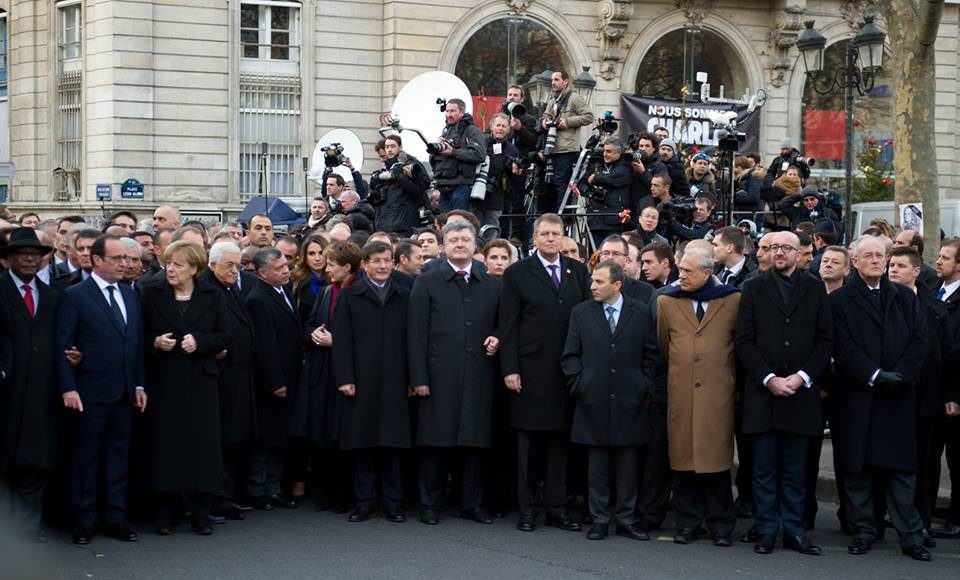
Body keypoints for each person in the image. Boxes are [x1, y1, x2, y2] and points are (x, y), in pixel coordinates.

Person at [830, 236, 931, 560]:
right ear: (855, 262)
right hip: (859, 396)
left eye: (880, 255)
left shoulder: (904, 297)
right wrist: (874, 375)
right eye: (868, 256)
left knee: (902, 472)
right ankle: (863, 531)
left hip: (899, 396)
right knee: (858, 472)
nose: (876, 260)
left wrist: (901, 375)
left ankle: (910, 536)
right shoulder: (841, 301)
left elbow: (920, 339)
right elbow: (842, 347)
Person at [735, 231, 833, 555]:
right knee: (763, 471)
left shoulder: (815, 287)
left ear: (800, 252)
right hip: (763, 395)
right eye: (774, 247)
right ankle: (765, 530)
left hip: (801, 396)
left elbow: (824, 340)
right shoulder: (752, 287)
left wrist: (801, 377)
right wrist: (769, 378)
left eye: (786, 248)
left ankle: (793, 531)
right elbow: (744, 341)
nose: (779, 252)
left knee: (795, 471)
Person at [498, 214, 590, 532]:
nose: (551, 238)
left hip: (566, 371)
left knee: (560, 444)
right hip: (530, 371)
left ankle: (557, 508)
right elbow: (508, 326)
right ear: (534, 237)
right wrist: (509, 368)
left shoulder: (577, 271)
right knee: (528, 445)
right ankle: (527, 509)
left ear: (564, 238)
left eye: (556, 233)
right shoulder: (517, 274)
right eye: (545, 233)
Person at [408, 221, 501, 525]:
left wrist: (497, 336)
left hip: (479, 375)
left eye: (465, 239)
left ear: (475, 246)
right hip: (438, 376)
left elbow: (505, 323)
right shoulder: (427, 281)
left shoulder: (492, 284)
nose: (460, 243)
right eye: (453, 239)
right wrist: (418, 378)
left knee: (475, 444)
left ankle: (471, 504)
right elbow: (416, 334)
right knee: (434, 443)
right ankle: (429, 503)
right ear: (444, 245)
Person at [57, 234, 147, 545]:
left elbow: (133, 345)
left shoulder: (130, 294)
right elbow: (63, 346)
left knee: (118, 457)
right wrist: (68, 387)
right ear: (97, 260)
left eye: (127, 258)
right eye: (118, 258)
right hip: (89, 393)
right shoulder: (75, 296)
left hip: (123, 393)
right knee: (86, 458)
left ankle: (114, 516)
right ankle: (84, 518)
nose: (125, 264)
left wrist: (138, 383)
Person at [561, 260, 659, 541]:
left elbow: (651, 354)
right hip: (593, 398)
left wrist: (644, 385)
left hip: (631, 399)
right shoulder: (580, 313)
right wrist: (580, 384)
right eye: (592, 280)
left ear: (617, 285)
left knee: (628, 464)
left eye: (598, 282)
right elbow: (570, 355)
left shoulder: (640, 313)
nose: (592, 286)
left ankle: (626, 518)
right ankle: (600, 518)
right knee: (598, 465)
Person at [138, 241, 229, 535]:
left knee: (202, 449)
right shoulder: (150, 293)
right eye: (168, 263)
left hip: (201, 383)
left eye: (177, 264)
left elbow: (225, 336)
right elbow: (138, 332)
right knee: (166, 448)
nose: (171, 269)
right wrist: (155, 341)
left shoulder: (212, 295)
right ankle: (165, 514)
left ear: (194, 268)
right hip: (164, 381)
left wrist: (200, 342)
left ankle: (201, 514)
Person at [656, 242, 740, 547]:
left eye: (689, 271)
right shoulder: (667, 302)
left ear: (708, 272)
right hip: (681, 394)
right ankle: (688, 523)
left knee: (716, 464)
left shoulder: (731, 300)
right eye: (680, 270)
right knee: (683, 462)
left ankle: (720, 525)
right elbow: (665, 345)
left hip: (718, 395)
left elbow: (737, 346)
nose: (682, 277)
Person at [332, 241, 412, 523]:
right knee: (363, 444)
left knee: (392, 444)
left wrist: (413, 378)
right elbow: (341, 341)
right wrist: (345, 378)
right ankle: (364, 501)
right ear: (364, 264)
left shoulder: (404, 296)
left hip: (395, 380)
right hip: (361, 380)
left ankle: (392, 502)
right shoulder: (350, 296)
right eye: (376, 261)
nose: (382, 266)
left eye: (387, 260)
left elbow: (412, 342)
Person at [888, 246, 960, 545]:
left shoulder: (933, 306)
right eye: (891, 265)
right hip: (890, 395)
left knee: (925, 461)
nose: (892, 270)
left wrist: (951, 395)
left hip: (927, 397)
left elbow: (949, 354)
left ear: (916, 271)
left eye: (899, 266)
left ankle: (921, 519)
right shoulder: (882, 301)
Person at [0, 228, 60, 543]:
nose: (28, 258)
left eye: (34, 254)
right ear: (9, 259)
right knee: (6, 460)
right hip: (6, 392)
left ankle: (27, 528)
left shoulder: (52, 297)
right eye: (22, 253)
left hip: (41, 392)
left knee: (37, 460)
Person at [293, 241, 361, 513]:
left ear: (347, 267)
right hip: (322, 370)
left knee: (343, 435)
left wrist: (338, 341)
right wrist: (315, 336)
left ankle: (345, 494)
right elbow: (310, 324)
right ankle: (326, 490)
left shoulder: (359, 291)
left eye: (331, 264)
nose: (326, 268)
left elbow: (367, 335)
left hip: (347, 372)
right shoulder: (324, 292)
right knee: (322, 433)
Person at [244, 247, 302, 510]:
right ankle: (258, 489)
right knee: (265, 438)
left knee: (280, 436)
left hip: (290, 375)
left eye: (286, 267)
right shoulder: (258, 299)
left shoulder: (283, 291)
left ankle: (274, 487)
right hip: (272, 382)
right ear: (263, 273)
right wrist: (275, 381)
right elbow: (265, 346)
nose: (286, 271)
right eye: (279, 269)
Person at [202, 242, 257, 520]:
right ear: (212, 265)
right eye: (229, 266)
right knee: (221, 441)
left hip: (237, 378)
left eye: (238, 265)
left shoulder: (230, 288)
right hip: (221, 378)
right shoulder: (209, 291)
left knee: (234, 440)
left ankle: (226, 495)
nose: (236, 271)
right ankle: (216, 498)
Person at [540, 71, 594, 209]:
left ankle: (563, 217)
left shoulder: (575, 98)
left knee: (562, 184)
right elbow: (544, 116)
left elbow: (589, 116)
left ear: (566, 82)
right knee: (553, 185)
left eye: (557, 79)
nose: (553, 82)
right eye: (552, 80)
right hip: (552, 148)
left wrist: (568, 122)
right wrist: (544, 122)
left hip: (567, 148)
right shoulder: (552, 101)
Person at [429, 98, 486, 212]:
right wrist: (436, 151)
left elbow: (479, 155)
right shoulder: (446, 131)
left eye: (452, 111)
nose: (449, 114)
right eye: (447, 111)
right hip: (444, 187)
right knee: (446, 226)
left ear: (461, 112)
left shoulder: (471, 131)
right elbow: (434, 162)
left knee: (459, 224)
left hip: (461, 187)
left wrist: (453, 152)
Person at [370, 135, 430, 236]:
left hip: (405, 224)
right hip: (385, 225)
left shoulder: (411, 164)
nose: (389, 150)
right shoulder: (384, 168)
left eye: (393, 146)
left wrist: (399, 176)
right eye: (387, 147)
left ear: (400, 147)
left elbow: (421, 187)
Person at [581, 137, 633, 249]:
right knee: (595, 257)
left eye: (609, 151)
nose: (605, 154)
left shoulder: (626, 165)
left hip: (613, 221)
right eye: (604, 150)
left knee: (612, 255)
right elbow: (582, 183)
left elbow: (614, 179)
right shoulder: (597, 164)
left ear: (618, 153)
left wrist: (595, 177)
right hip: (595, 219)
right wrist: (591, 193)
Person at [290, 235, 329, 321]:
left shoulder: (335, 280)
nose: (317, 258)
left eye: (321, 253)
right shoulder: (295, 281)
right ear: (305, 257)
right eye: (311, 254)